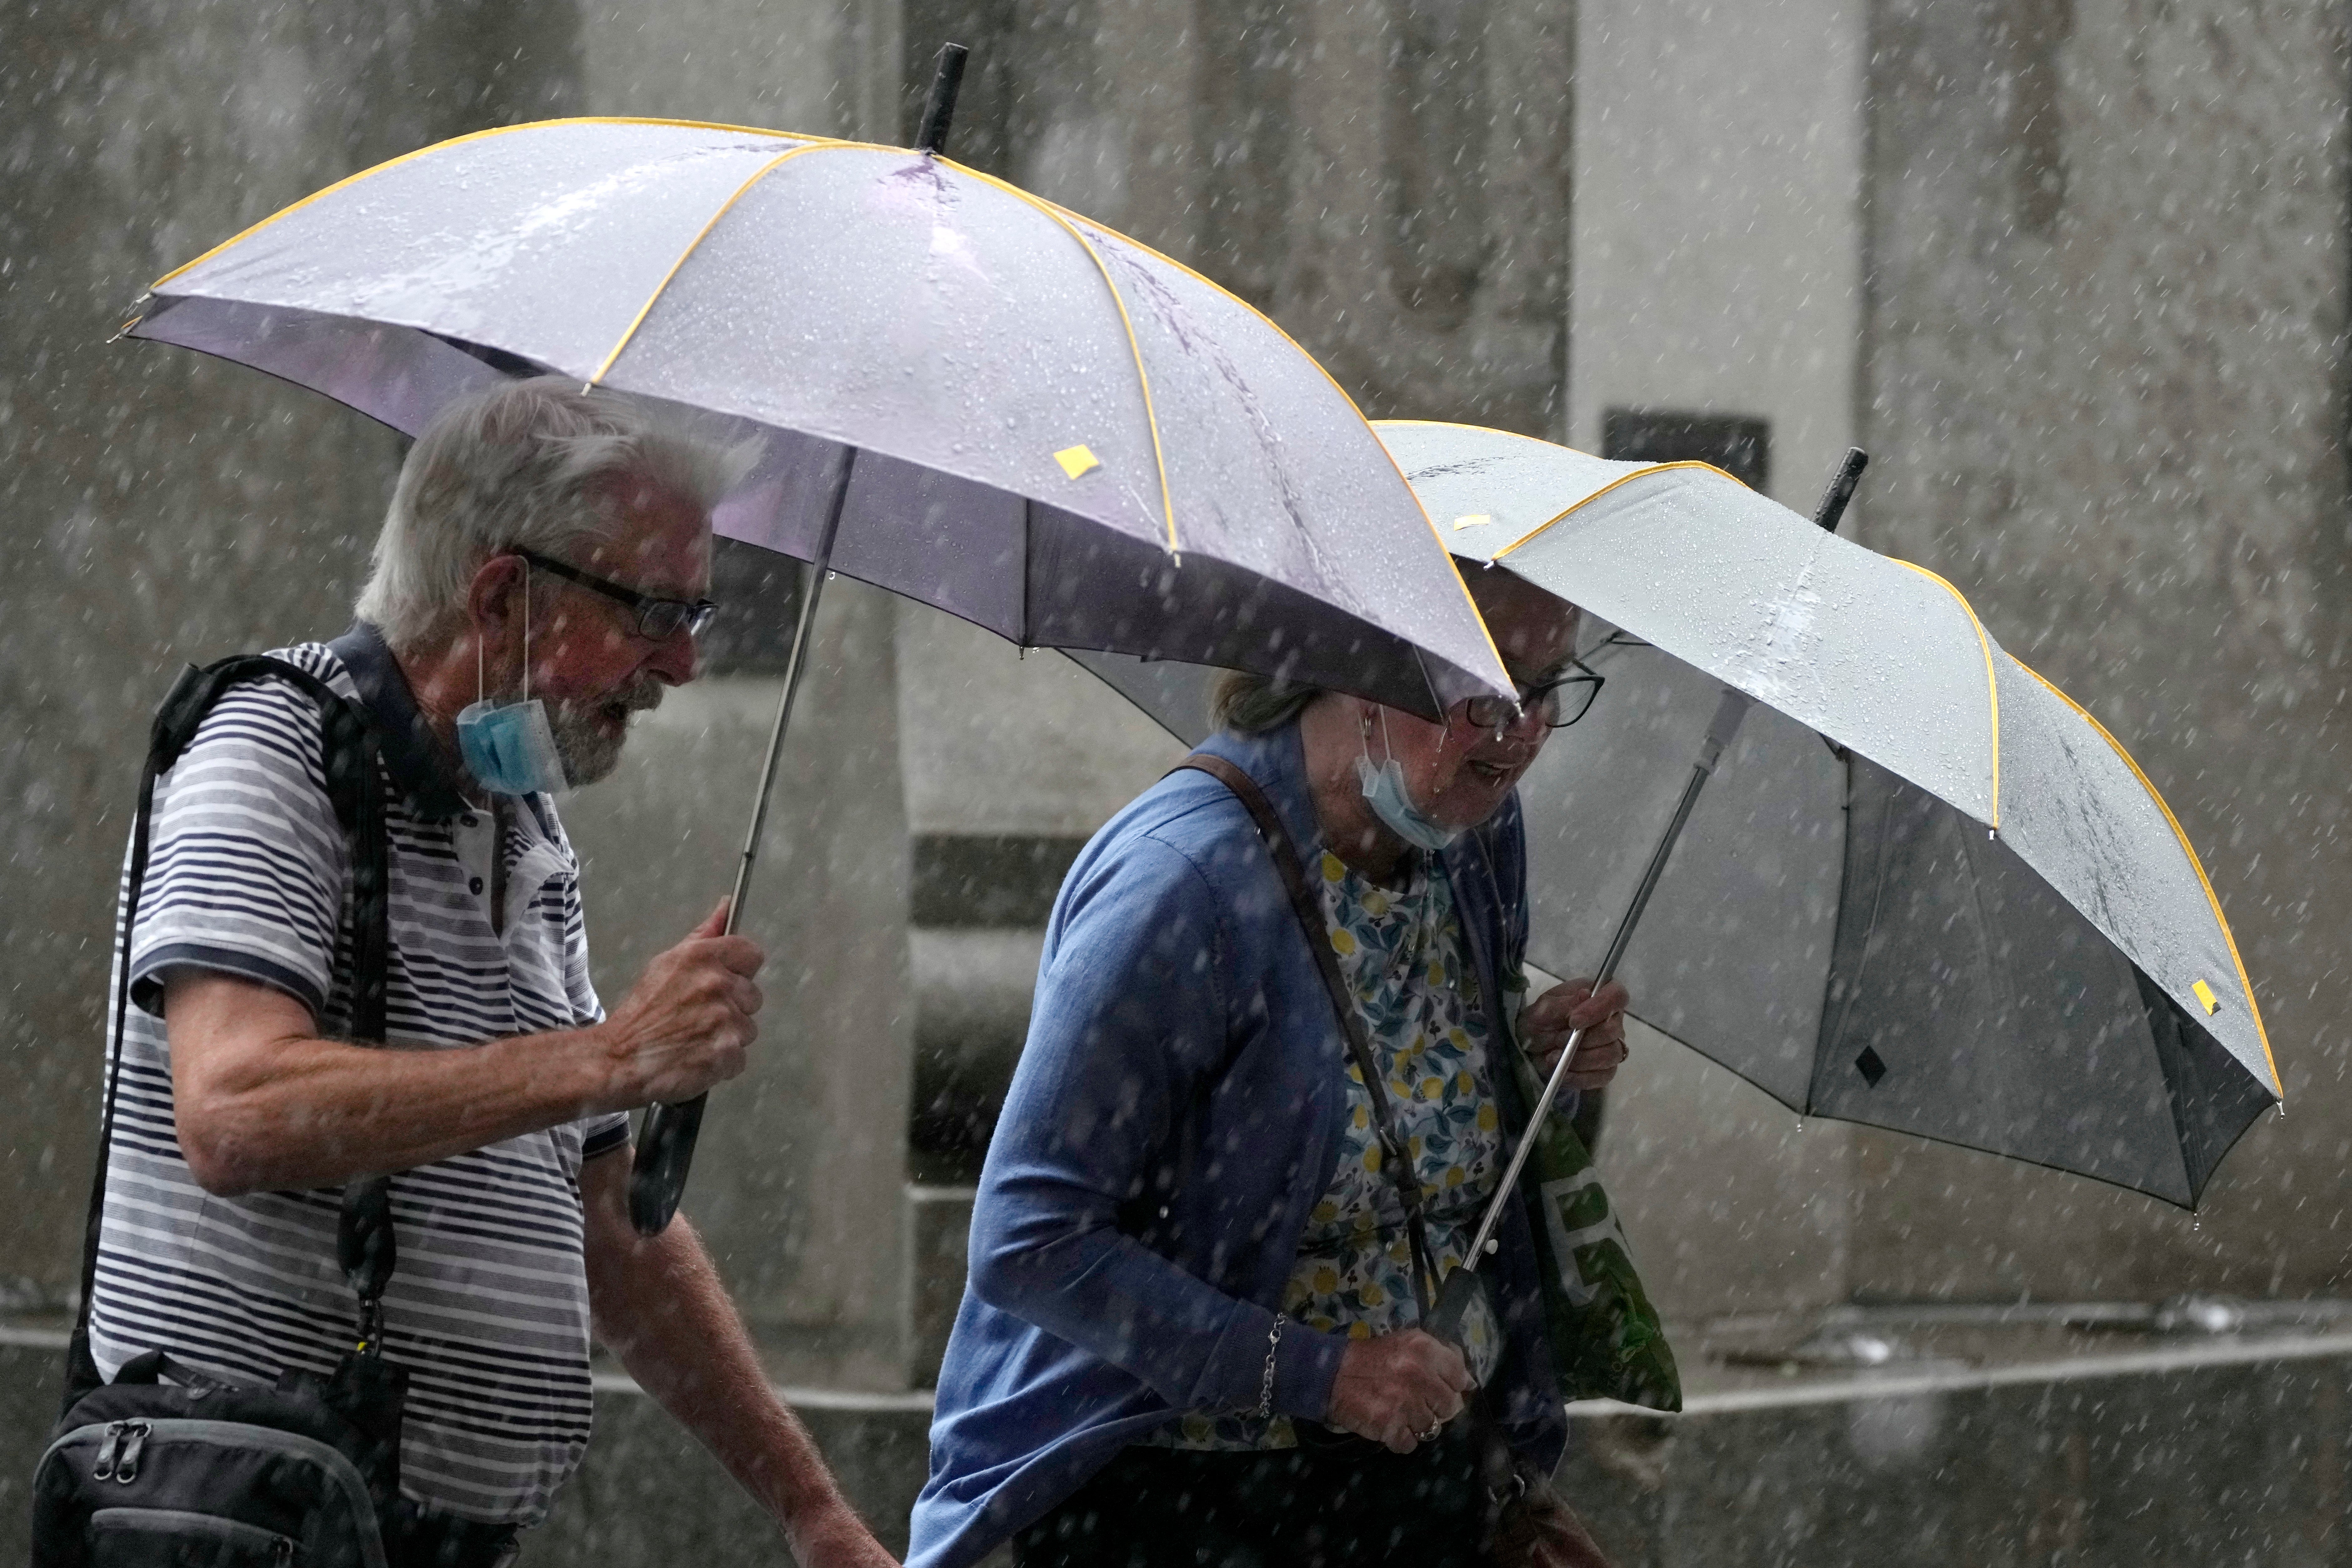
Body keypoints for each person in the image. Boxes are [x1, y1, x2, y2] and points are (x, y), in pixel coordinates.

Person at [85, 377, 894, 1568]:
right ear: (503, 595)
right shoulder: (274, 743)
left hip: (414, 1535)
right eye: (653, 612)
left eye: (697, 618)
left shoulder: (521, 822)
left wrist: (808, 1508)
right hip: (244, 1514)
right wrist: (609, 1055)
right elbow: (234, 1111)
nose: (679, 665)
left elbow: (605, 1216)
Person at [909, 564, 1629, 1567]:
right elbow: (1030, 1242)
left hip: (1401, 1480)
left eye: (1550, 685)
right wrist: (1322, 1374)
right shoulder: (1182, 885)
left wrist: (1526, 1056)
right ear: (1355, 660)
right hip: (1174, 1499)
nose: (1522, 730)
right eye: (1489, 684)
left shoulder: (1471, 838)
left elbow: (1422, 1126)